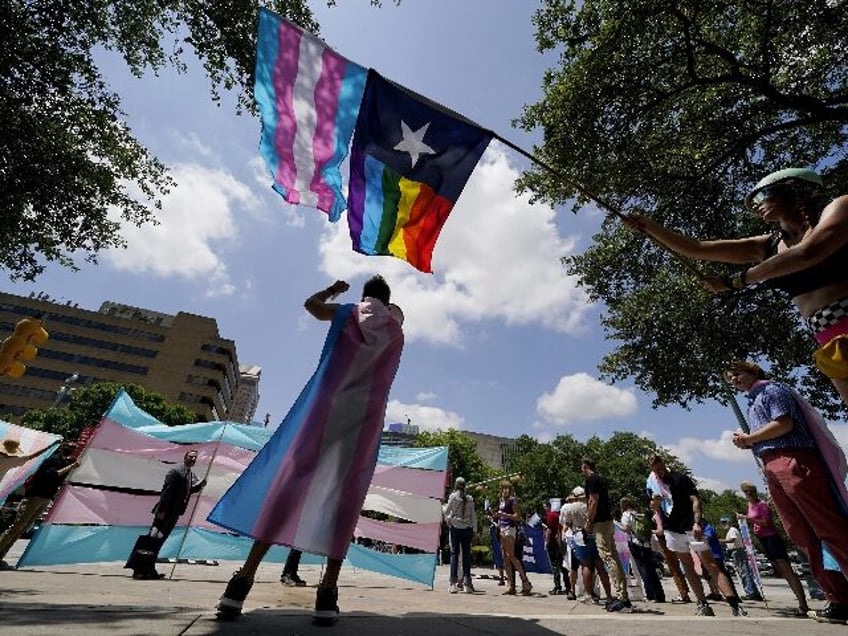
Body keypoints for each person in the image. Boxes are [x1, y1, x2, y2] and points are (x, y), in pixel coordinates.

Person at [211, 277, 404, 625]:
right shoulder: (395, 329)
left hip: (325, 408)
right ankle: (327, 592)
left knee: (289, 483)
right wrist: (389, 310)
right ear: (387, 301)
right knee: (346, 495)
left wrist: (333, 290)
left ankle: (242, 581)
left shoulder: (348, 313)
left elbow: (311, 306)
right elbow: (397, 316)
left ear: (364, 297)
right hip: (364, 418)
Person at [622, 168, 848, 407]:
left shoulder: (840, 206)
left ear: (793, 187)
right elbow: (698, 249)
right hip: (826, 336)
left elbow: (807, 253)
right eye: (752, 204)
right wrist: (648, 226)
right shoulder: (768, 244)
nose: (756, 206)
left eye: (761, 196)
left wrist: (736, 281)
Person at [726, 359, 845, 622]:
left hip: (792, 460)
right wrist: (749, 443)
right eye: (729, 377)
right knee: (801, 533)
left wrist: (750, 439)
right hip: (771, 465)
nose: (733, 379)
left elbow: (784, 424)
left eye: (736, 374)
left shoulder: (772, 390)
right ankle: (838, 597)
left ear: (752, 371)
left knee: (828, 528)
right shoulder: (752, 401)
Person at [647, 454, 744, 617]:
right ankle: (702, 603)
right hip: (672, 529)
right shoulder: (653, 485)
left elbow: (695, 500)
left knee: (710, 564)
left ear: (664, 464)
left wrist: (697, 522)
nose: (659, 472)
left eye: (661, 468)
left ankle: (734, 603)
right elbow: (655, 508)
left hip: (690, 526)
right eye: (656, 470)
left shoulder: (680, 479)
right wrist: (655, 504)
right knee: (687, 566)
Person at [125, 449, 206, 580]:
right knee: (151, 540)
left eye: (195, 458)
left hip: (174, 513)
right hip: (164, 512)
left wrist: (199, 486)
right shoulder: (175, 473)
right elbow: (166, 493)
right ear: (184, 457)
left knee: (159, 541)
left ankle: (149, 569)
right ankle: (139, 569)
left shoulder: (190, 475)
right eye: (190, 457)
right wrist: (161, 512)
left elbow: (186, 492)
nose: (192, 460)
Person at [737, 481, 811, 619]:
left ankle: (803, 604)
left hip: (772, 538)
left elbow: (766, 523)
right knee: (781, 570)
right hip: (763, 539)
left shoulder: (762, 505)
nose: (747, 494)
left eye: (749, 491)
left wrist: (747, 519)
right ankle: (800, 603)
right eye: (745, 492)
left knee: (787, 569)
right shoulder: (750, 505)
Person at [0, 442, 78, 568]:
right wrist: (71, 467)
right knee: (17, 527)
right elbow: (51, 475)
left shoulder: (64, 462)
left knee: (22, 529)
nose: (72, 449)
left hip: (45, 498)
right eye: (70, 447)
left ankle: (1, 556)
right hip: (35, 497)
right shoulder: (53, 459)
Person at [581, 458, 630, 611]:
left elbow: (593, 501)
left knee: (607, 557)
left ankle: (621, 597)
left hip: (600, 523)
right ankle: (623, 595)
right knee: (613, 556)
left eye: (582, 468)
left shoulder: (592, 480)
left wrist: (589, 521)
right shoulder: (601, 479)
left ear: (585, 467)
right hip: (608, 521)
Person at [561, 485, 613, 605]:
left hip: (580, 536)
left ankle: (588, 593)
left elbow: (568, 523)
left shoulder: (570, 508)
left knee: (586, 566)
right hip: (595, 535)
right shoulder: (592, 505)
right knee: (600, 566)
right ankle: (609, 595)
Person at [620, 497, 665, 603]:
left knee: (643, 569)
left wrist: (618, 525)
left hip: (635, 543)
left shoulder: (626, 515)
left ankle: (651, 595)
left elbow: (627, 529)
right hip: (646, 543)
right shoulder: (638, 514)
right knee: (651, 568)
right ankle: (659, 595)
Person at [492, 480, 532, 596]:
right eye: (503, 488)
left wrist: (504, 515)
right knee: (505, 557)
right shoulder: (501, 500)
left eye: (506, 488)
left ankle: (525, 581)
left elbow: (517, 516)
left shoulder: (512, 500)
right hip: (502, 528)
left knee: (511, 555)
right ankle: (511, 585)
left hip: (510, 528)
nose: (504, 490)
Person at [443, 476, 477, 594]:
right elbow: (473, 516)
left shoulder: (453, 497)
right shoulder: (470, 498)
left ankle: (453, 584)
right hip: (467, 529)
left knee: (454, 555)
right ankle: (467, 584)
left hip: (456, 528)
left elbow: (446, 511)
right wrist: (474, 530)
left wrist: (444, 508)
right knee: (466, 557)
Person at [720, 516, 761, 600]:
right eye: (722, 522)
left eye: (724, 522)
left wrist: (720, 541)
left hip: (738, 551)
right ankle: (753, 592)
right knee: (744, 571)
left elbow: (732, 539)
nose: (723, 524)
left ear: (729, 522)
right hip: (736, 552)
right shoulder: (730, 530)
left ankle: (750, 592)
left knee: (744, 571)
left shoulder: (732, 530)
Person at [542, 499, 571, 596]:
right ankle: (568, 586)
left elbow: (550, 529)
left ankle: (557, 586)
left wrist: (546, 541)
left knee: (555, 565)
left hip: (553, 542)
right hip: (561, 541)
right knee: (563, 565)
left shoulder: (551, 515)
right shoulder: (561, 514)